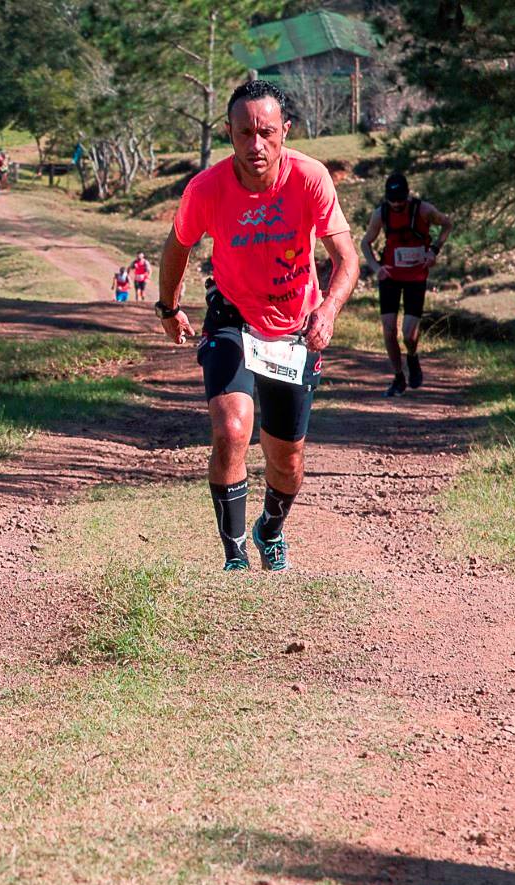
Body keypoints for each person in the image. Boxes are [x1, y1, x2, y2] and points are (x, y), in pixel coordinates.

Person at [155, 79, 359, 572]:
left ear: (285, 130)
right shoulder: (207, 188)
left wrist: (327, 311)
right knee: (231, 428)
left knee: (286, 460)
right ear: (229, 133)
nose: (256, 144)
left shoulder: (310, 178)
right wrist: (169, 306)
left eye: (266, 132)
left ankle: (269, 527)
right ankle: (235, 557)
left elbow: (346, 259)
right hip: (232, 317)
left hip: (295, 330)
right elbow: (178, 244)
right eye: (244, 133)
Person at [360, 172, 451, 395]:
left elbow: (447, 224)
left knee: (409, 334)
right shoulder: (380, 214)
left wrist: (434, 250)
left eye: (401, 200)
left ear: (408, 196)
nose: (398, 205)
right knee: (389, 329)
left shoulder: (424, 210)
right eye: (393, 201)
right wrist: (376, 268)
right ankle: (398, 377)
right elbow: (365, 243)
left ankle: (412, 357)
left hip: (416, 277)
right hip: (390, 276)